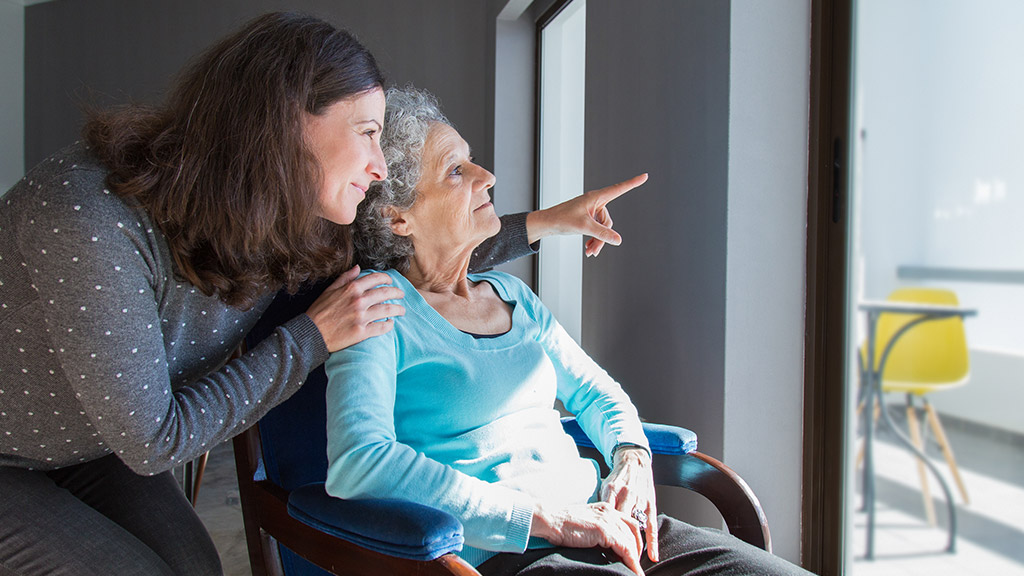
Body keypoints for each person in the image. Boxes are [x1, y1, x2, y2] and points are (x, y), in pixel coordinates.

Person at [0, 13, 643, 576]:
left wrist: (549, 224)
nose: (381, 166)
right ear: (285, 125)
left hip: (90, 444)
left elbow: (417, 242)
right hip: (26, 452)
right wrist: (310, 337)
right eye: (367, 131)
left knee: (194, 566)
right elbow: (156, 441)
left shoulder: (290, 220)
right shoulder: (86, 218)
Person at [324, 87, 813, 576]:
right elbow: (360, 463)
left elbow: (599, 393)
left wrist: (631, 455)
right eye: (456, 171)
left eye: (473, 161)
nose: (487, 176)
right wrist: (548, 520)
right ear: (397, 217)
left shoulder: (512, 295)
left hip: (610, 524)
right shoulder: (374, 307)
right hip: (513, 554)